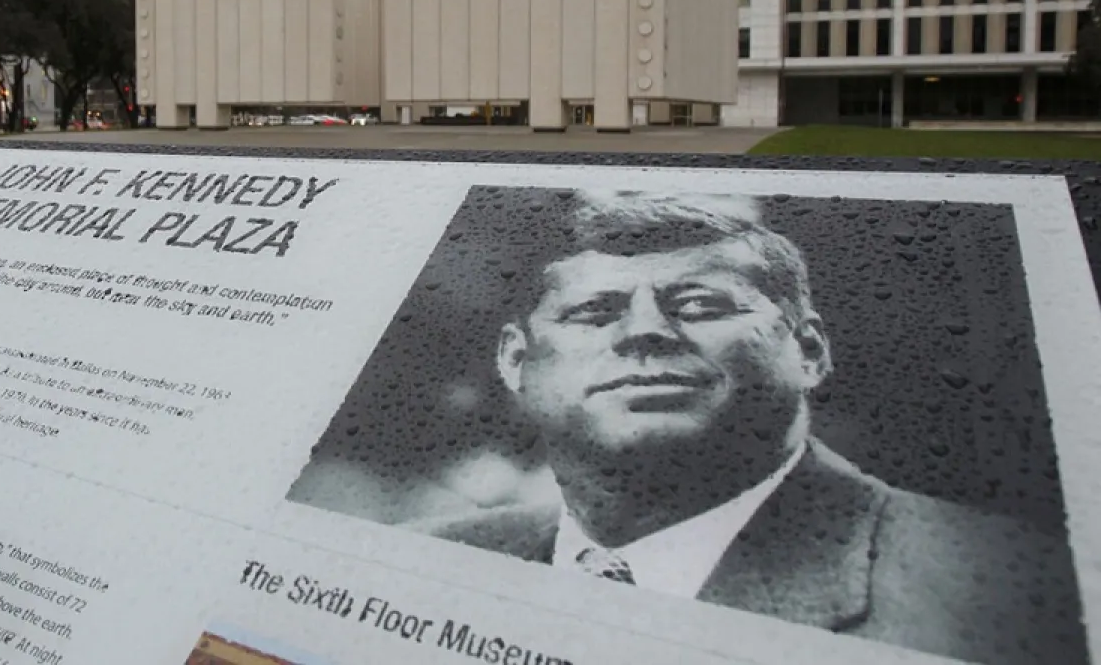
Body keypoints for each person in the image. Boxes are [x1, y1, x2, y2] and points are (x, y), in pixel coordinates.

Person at [417, 190, 1087, 665]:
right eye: (594, 312)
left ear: (810, 350)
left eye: (701, 304)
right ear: (515, 360)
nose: (645, 332)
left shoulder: (1002, 595)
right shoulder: (425, 556)